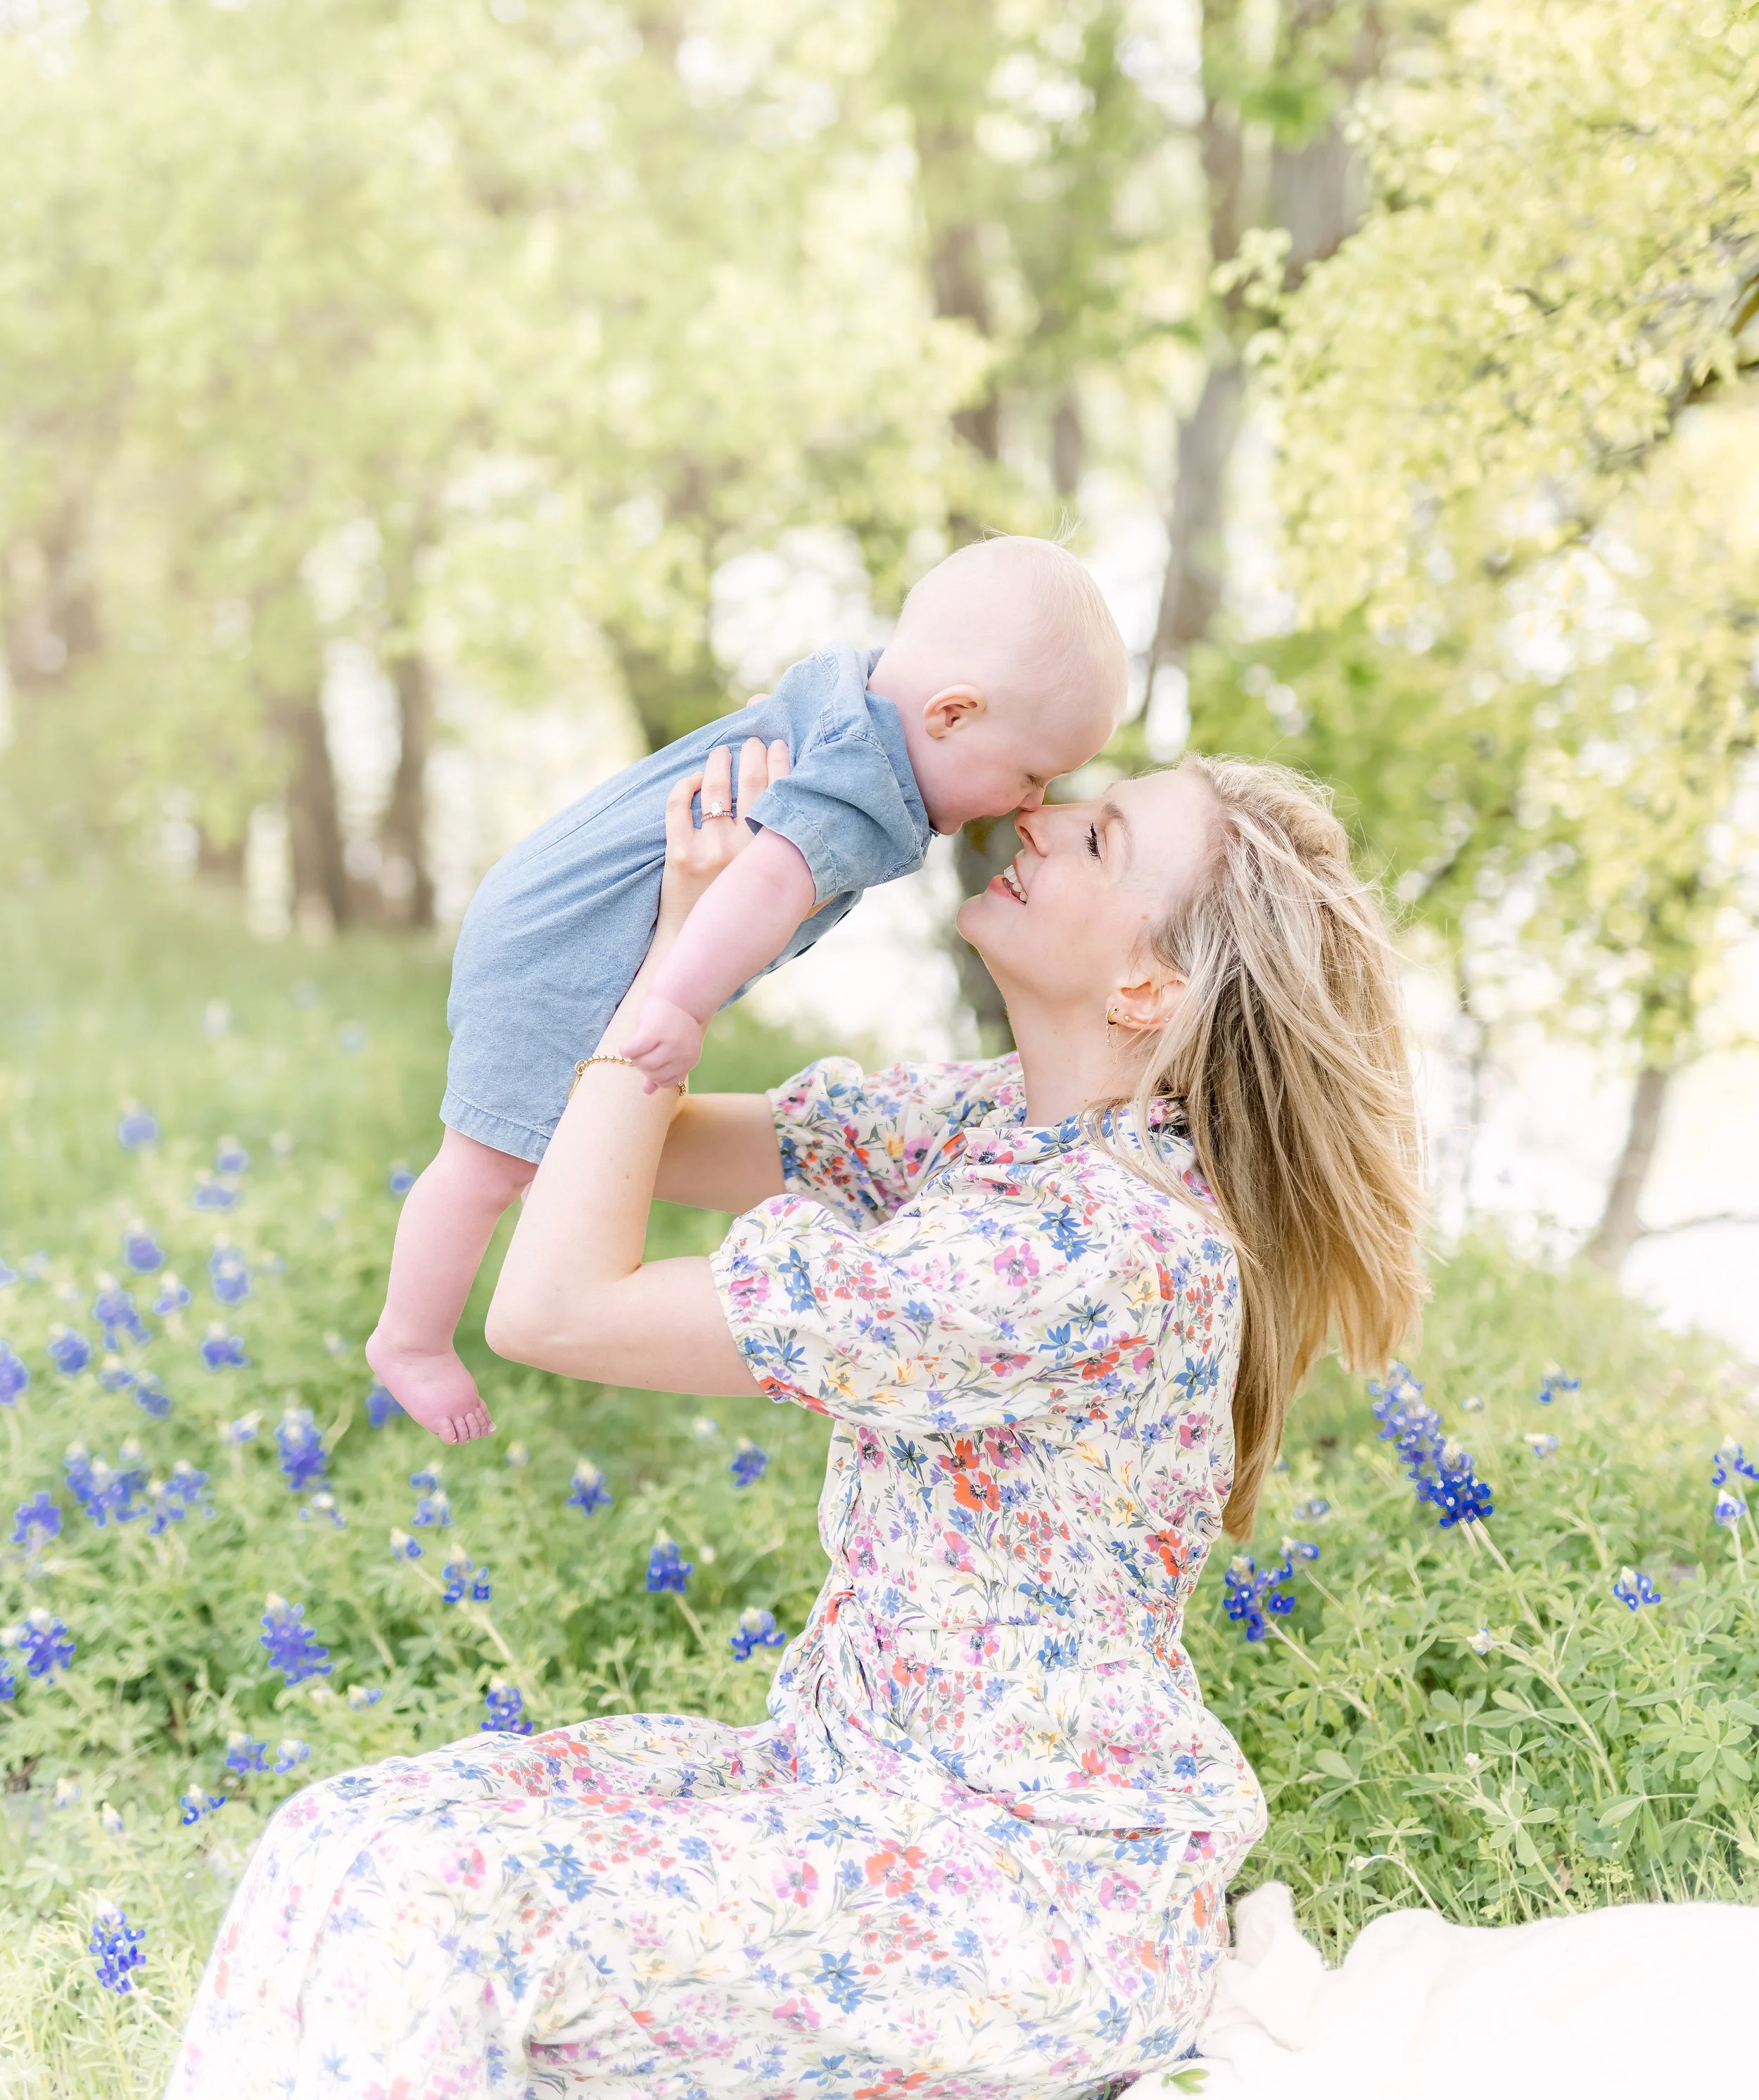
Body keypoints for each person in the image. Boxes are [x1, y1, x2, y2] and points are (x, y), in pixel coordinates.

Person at [167, 746, 1425, 2100]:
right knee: (342, 1830)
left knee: (440, 1903)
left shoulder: (1089, 1251)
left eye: (1102, 839)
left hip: (1025, 1890)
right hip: (848, 1785)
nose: (1040, 818)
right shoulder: (1000, 1123)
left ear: (1147, 990)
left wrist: (681, 986)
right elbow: (608, 1135)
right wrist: (690, 929)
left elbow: (553, 1309)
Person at [367, 536, 1129, 1443]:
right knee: (485, 1165)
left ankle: (490, 1265)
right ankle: (410, 1340)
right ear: (953, 713)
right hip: (566, 952)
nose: (1033, 805)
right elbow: (765, 880)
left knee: (538, 1154)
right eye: (1032, 774)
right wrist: (680, 1004)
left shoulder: (849, 698)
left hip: (545, 909)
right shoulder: (865, 783)